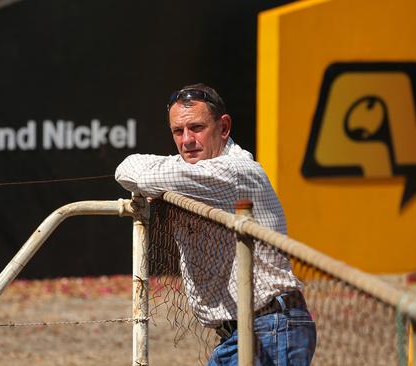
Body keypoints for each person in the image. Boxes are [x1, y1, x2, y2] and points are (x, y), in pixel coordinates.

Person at [115, 83, 316, 366]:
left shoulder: (235, 171)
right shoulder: (196, 170)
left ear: (223, 128)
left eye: (196, 128)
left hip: (270, 328)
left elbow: (140, 175)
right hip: (246, 330)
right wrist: (160, 181)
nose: (187, 140)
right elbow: (126, 166)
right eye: (178, 131)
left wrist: (157, 183)